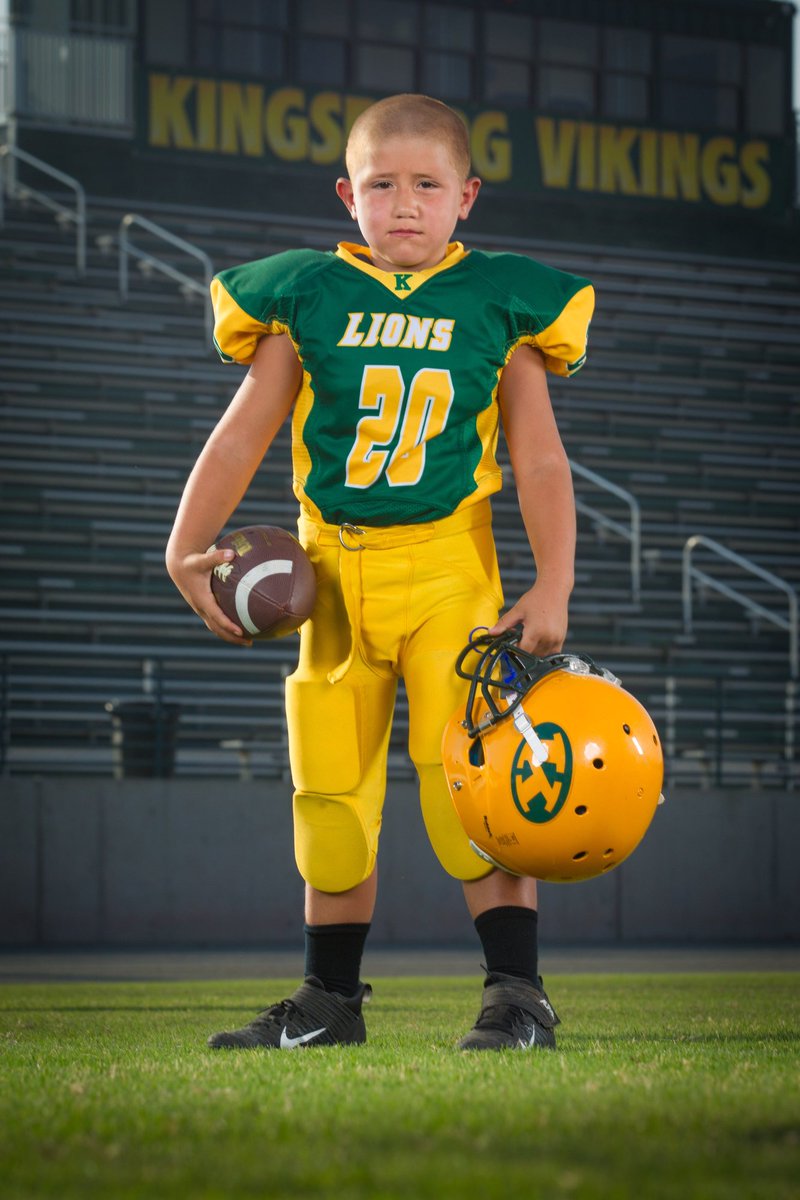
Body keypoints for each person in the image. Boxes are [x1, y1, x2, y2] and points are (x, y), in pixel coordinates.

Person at [165, 93, 594, 1052]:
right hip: (331, 574)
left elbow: (540, 459)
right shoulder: (306, 294)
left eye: (427, 185)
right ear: (345, 196)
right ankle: (329, 1002)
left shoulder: (501, 300)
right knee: (329, 790)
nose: (404, 204)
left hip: (449, 569)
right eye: (381, 185)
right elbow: (241, 433)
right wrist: (182, 544)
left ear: (467, 197)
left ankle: (517, 994)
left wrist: (554, 580)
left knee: (472, 785)